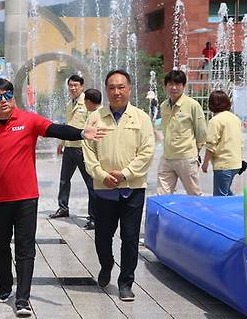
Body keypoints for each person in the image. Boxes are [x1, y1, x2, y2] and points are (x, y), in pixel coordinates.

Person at [0, 78, 107, 317]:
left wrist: (81, 132)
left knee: (25, 248)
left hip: (27, 198)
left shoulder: (28, 120)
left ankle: (23, 299)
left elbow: (54, 129)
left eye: (8, 94)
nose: (4, 100)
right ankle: (5, 287)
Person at [83, 69, 155, 302]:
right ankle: (106, 266)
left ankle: (126, 282)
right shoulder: (95, 118)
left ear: (130, 89)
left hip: (132, 187)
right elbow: (88, 152)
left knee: (130, 236)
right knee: (103, 236)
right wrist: (101, 174)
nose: (117, 92)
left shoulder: (141, 118)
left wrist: (125, 174)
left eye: (121, 87)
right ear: (106, 90)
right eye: (112, 87)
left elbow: (146, 152)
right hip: (104, 187)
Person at [51, 75, 97, 232]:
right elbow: (67, 125)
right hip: (69, 147)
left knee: (90, 183)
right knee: (64, 180)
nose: (72, 88)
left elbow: (93, 125)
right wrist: (61, 143)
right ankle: (63, 207)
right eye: (70, 85)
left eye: (75, 85)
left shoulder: (88, 103)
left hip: (82, 148)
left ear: (82, 86)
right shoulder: (69, 104)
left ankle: (94, 216)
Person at [157, 70, 207, 196]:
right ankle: (165, 216)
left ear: (184, 86)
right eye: (170, 84)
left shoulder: (192, 105)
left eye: (178, 84)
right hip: (167, 157)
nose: (174, 87)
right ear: (165, 86)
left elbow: (201, 132)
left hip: (186, 158)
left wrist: (196, 152)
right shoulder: (164, 106)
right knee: (162, 195)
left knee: (194, 194)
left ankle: (196, 215)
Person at [201, 91, 243, 196]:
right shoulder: (235, 119)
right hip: (236, 163)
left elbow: (211, 145)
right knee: (226, 192)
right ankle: (240, 207)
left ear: (211, 104)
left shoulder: (215, 121)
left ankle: (240, 209)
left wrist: (205, 164)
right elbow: (239, 141)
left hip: (223, 164)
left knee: (219, 198)